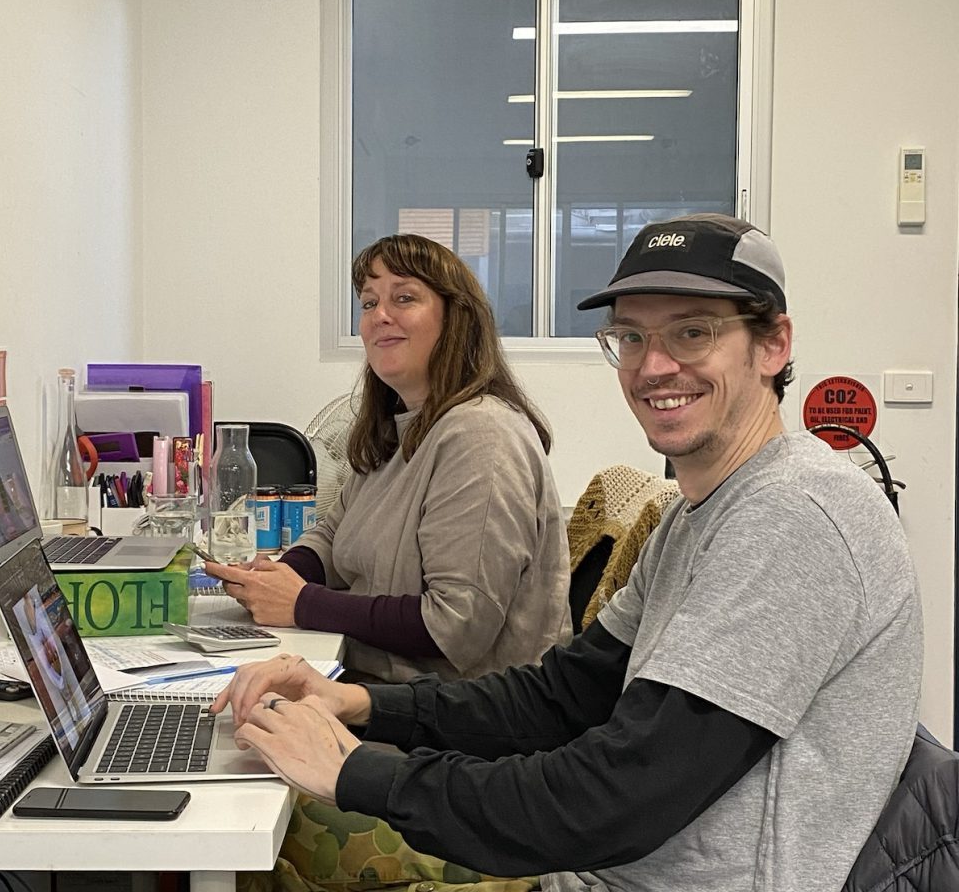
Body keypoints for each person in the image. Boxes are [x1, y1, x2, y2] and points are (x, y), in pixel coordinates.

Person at [215, 214, 924, 892]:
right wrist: (362, 703)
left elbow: (613, 799)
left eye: (694, 332)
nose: (655, 366)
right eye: (632, 338)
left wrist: (357, 770)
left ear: (773, 345)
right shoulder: (698, 517)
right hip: (599, 866)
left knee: (271, 837)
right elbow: (559, 697)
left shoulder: (793, 517)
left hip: (612, 873)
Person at [206, 232, 571, 683]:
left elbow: (456, 625)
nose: (380, 316)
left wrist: (301, 604)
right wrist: (274, 576)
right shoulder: (397, 427)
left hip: (460, 718)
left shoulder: (481, 435)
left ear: (456, 319)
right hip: (390, 688)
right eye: (368, 302)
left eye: (404, 298)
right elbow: (334, 536)